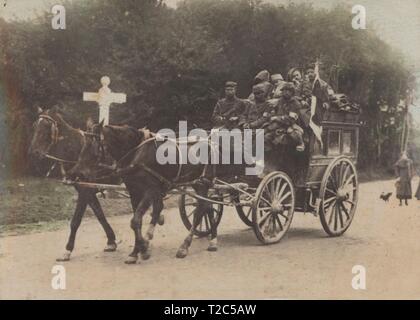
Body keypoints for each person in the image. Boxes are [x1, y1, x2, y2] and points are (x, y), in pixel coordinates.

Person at [265, 82, 305, 152]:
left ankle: (301, 144)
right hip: (279, 124)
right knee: (266, 135)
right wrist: (271, 115)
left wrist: (277, 118)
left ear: (292, 92)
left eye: (288, 91)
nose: (286, 92)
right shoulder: (280, 101)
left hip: (291, 125)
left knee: (293, 133)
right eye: (284, 90)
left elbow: (291, 119)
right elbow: (274, 112)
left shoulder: (295, 103)